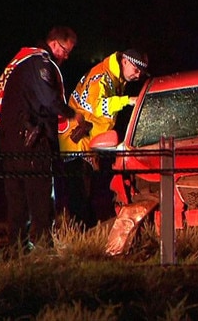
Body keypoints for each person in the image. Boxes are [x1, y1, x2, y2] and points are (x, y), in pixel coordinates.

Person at [0, 26, 81, 251]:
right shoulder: (40, 62)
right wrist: (72, 114)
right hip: (31, 139)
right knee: (40, 196)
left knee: (17, 197)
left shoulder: (21, 59)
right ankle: (44, 246)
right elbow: (48, 100)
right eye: (66, 51)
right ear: (55, 44)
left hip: (10, 138)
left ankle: (18, 246)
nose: (66, 57)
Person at [59, 49, 149, 228]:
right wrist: (127, 101)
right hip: (76, 141)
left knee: (85, 193)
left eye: (141, 72)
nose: (138, 75)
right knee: (80, 194)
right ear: (124, 61)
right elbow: (98, 107)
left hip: (86, 140)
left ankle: (85, 231)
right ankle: (81, 236)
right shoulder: (102, 77)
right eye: (136, 69)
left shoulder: (114, 76)